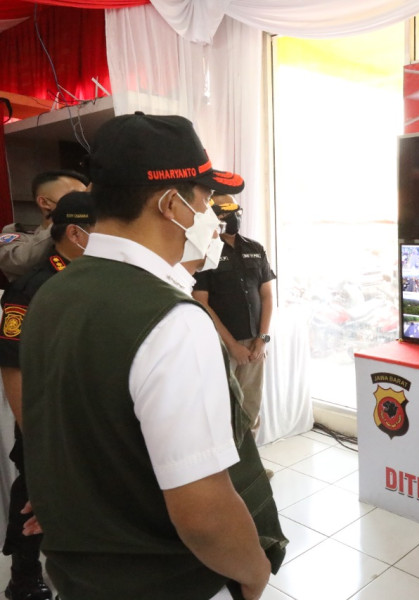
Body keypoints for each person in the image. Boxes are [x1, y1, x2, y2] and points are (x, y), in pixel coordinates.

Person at [19, 113, 287, 600]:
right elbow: (204, 515)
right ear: (172, 203)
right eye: (205, 198)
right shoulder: (172, 321)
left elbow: (66, 426)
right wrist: (254, 573)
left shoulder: (54, 294)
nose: (213, 214)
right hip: (164, 579)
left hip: (81, 573)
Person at [0, 191, 94, 600]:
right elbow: (12, 366)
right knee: (33, 496)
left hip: (88, 417)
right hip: (46, 421)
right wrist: (34, 435)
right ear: (76, 233)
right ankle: (24, 577)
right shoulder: (32, 288)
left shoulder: (96, 280)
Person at [192, 196, 275, 440]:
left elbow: (267, 296)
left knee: (250, 405)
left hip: (253, 342)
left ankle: (250, 469)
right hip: (221, 344)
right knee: (222, 407)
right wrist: (232, 345)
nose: (234, 216)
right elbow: (201, 301)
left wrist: (262, 339)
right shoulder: (206, 253)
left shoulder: (254, 248)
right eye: (226, 212)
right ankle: (228, 471)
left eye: (236, 210)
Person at [0, 170, 88, 283]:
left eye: (86, 196)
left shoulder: (90, 233)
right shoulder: (18, 237)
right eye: (75, 197)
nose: (84, 202)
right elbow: (23, 263)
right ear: (44, 202)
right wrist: (65, 218)